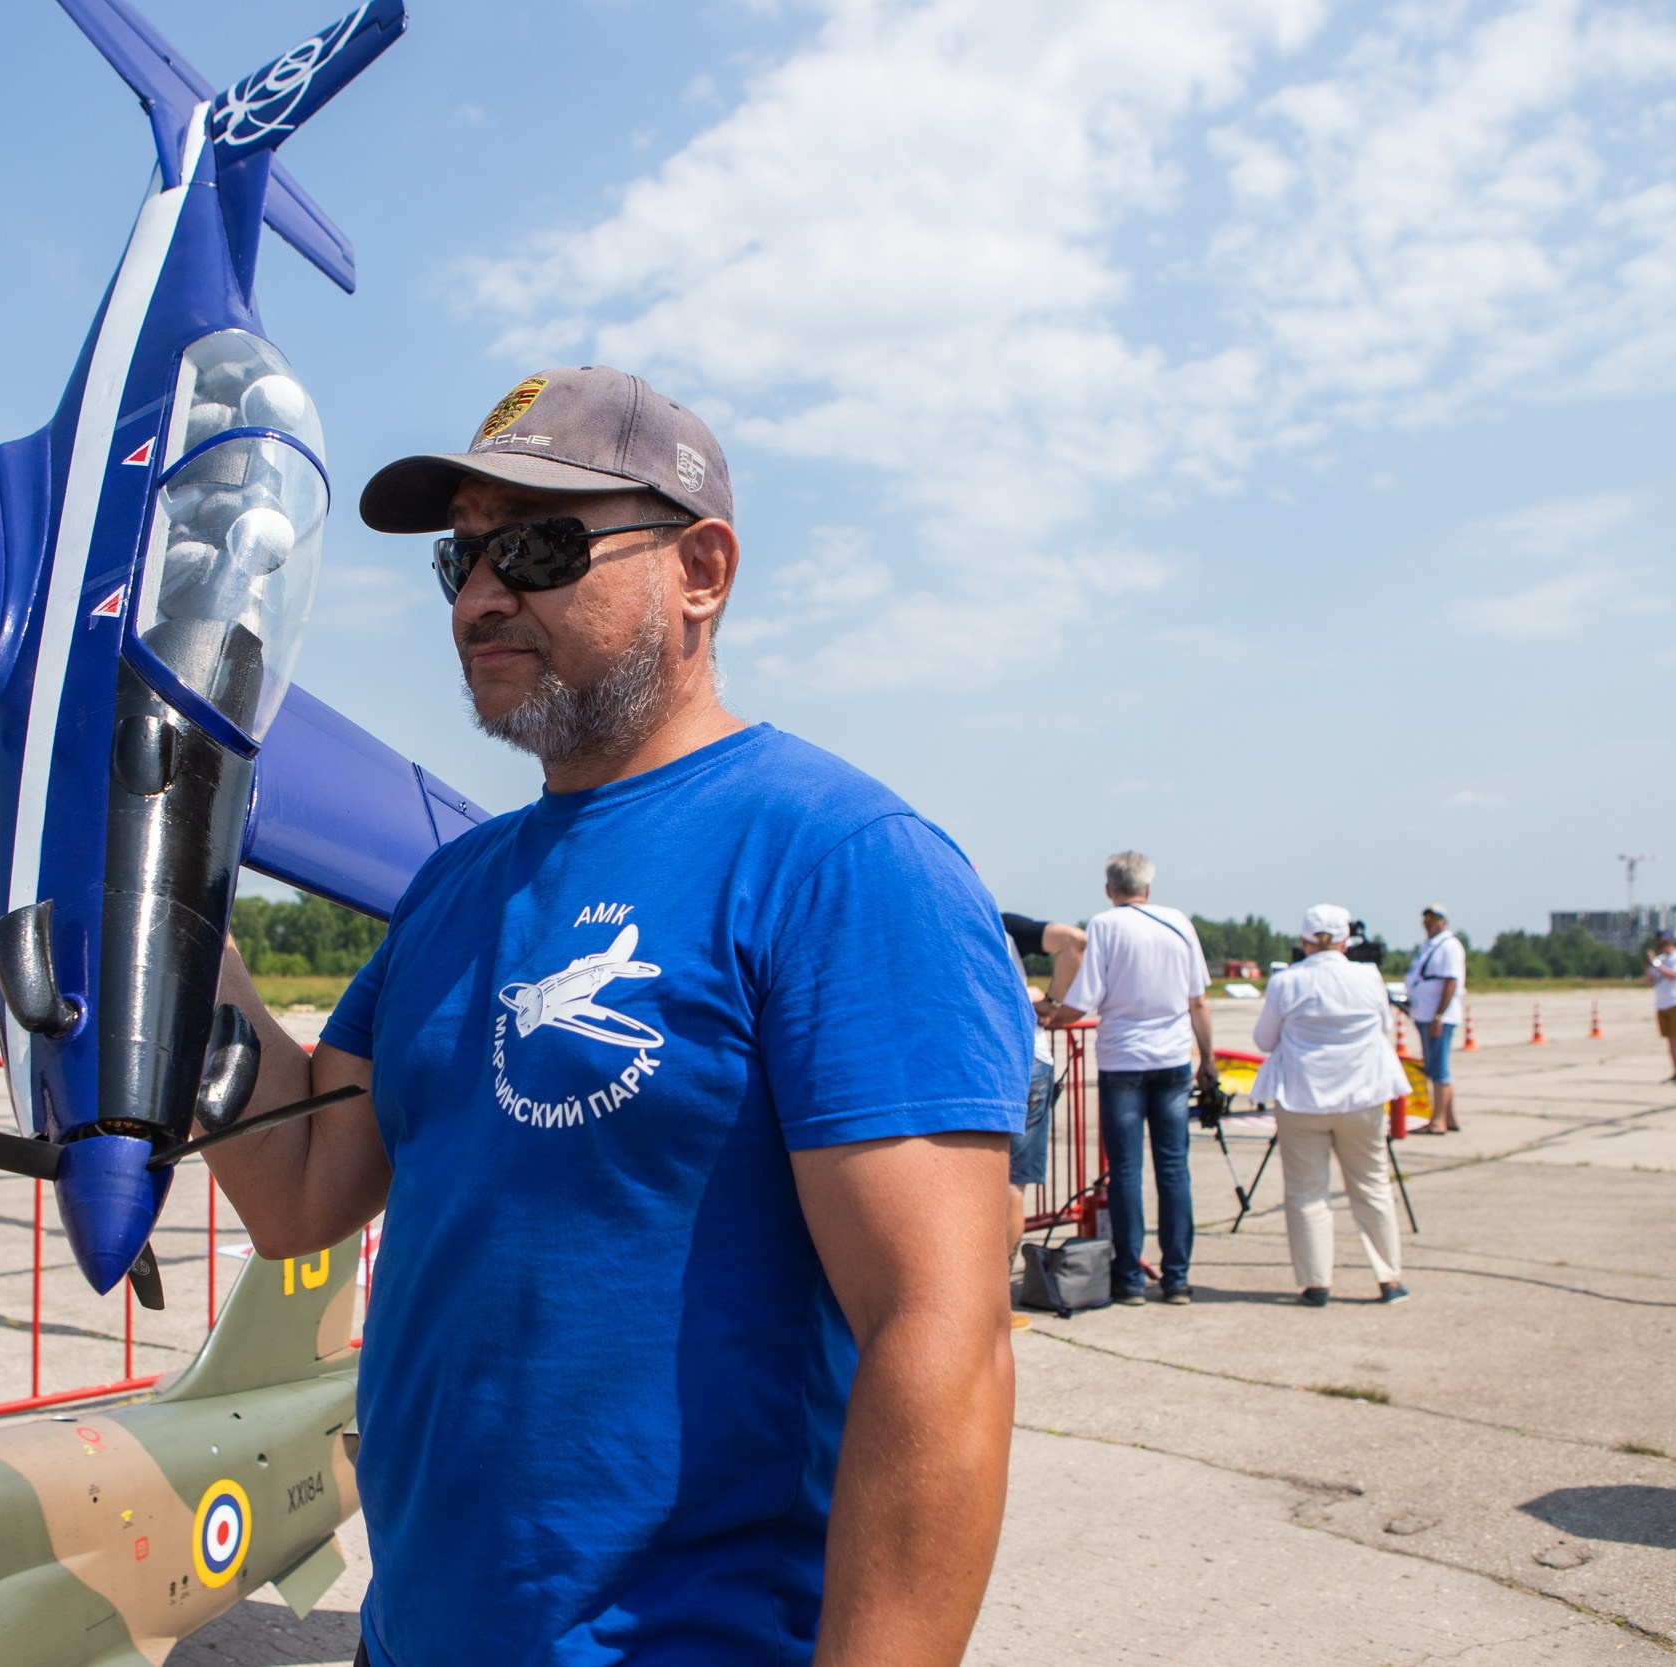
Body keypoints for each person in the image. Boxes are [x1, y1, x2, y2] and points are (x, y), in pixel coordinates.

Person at [202, 367, 1033, 1667]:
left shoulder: (838, 861)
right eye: (461, 557)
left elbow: (939, 1334)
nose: (480, 595)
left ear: (701, 570)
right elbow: (300, 1187)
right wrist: (178, 921)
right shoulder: (456, 886)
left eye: (536, 547)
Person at [1057, 851, 1214, 1306]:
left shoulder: (1105, 926)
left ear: (1109, 889)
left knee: (1125, 1171)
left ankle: (1128, 1279)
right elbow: (1198, 1001)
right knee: (1174, 1168)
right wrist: (1208, 1059)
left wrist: (1049, 1014)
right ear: (1148, 887)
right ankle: (1177, 1277)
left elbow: (1083, 999)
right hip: (1173, 1060)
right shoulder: (1179, 923)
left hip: (1122, 1060)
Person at [1251, 905, 1411, 1307]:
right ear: (1345, 941)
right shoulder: (1368, 977)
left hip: (1302, 1098)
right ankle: (1389, 1278)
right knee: (1372, 1186)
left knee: (1306, 1193)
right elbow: (1384, 1026)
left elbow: (1264, 1040)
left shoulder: (1287, 982)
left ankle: (1316, 1283)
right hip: (1361, 1097)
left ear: (1304, 941)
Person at [1003, 912, 1087, 1256]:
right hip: (1029, 1057)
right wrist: (1048, 1001)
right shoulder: (1002, 925)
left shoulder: (932, 924)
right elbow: (1074, 940)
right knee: (1012, 1185)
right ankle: (999, 1282)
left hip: (973, 1060)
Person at [1408, 904, 1466, 1134]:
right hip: (1425, 1013)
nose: (1429, 922)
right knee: (1435, 1066)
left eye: (1434, 918)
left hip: (1437, 1016)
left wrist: (1438, 1015)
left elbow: (1450, 982)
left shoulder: (1448, 946)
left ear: (1444, 922)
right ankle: (1449, 1118)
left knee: (1438, 1069)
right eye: (1426, 918)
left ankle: (1437, 1121)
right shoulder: (1429, 945)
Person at [1644, 928, 1676, 1085]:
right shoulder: (1660, 959)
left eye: (1664, 943)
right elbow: (1650, 981)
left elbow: (1673, 975)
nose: (1661, 946)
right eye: (1659, 943)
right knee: (1670, 1039)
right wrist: (1647, 965)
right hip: (1662, 1003)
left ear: (1671, 942)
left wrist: (1656, 963)